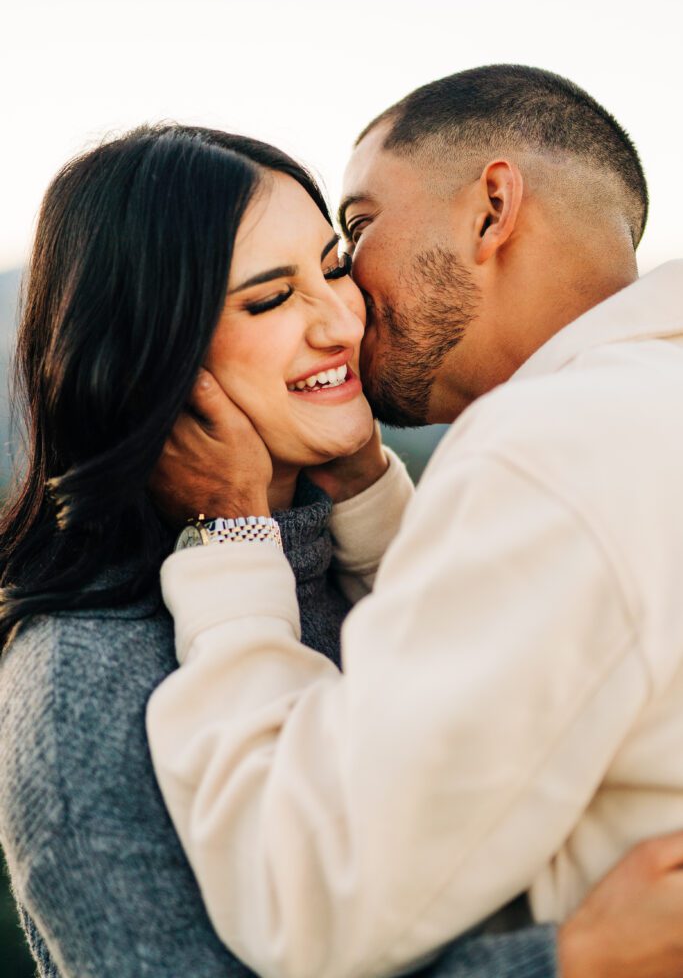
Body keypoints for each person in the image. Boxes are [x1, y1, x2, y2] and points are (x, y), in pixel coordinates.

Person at [0, 120, 644, 978]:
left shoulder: (377, 555)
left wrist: (361, 483)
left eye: (335, 267)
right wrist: (566, 964)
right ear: (156, 351)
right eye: (269, 300)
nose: (342, 321)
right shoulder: (83, 673)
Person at [145, 65, 683, 978]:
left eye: (355, 231)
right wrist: (364, 491)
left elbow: (308, 899)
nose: (346, 295)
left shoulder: (547, 454)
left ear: (491, 208)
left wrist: (229, 544)